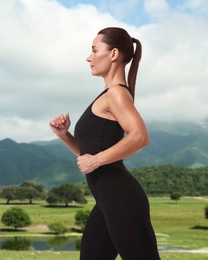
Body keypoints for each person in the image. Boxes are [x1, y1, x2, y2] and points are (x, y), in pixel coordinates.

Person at [49, 27, 161, 260]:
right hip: (107, 202)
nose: (88, 57)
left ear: (113, 54)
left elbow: (140, 136)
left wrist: (96, 160)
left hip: (122, 199)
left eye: (94, 50)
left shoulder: (116, 94)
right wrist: (64, 135)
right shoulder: (108, 96)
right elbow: (88, 154)